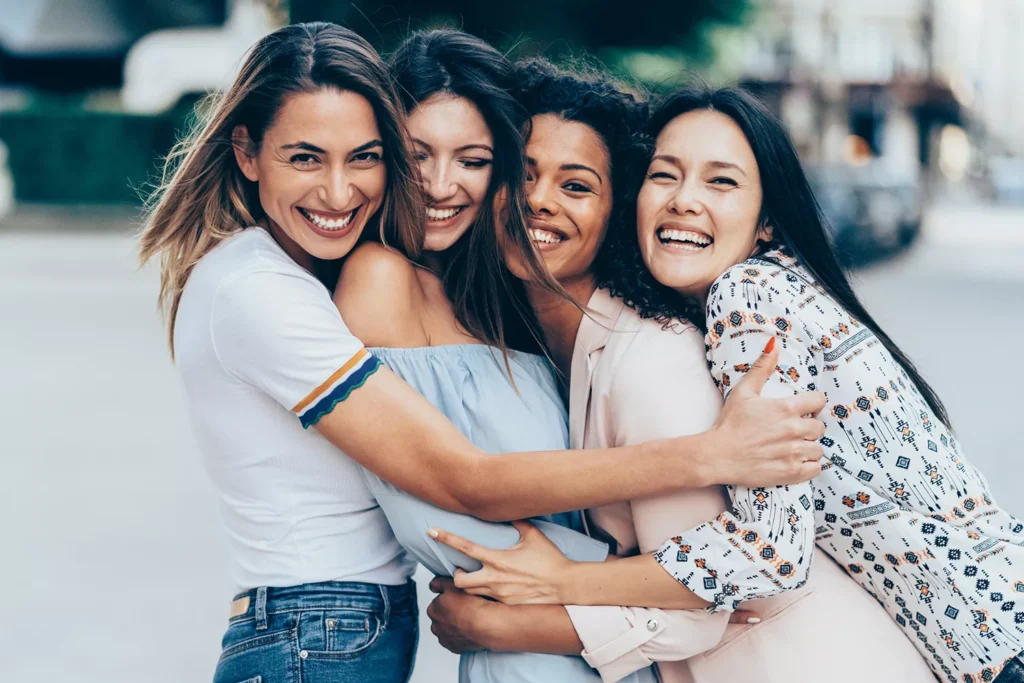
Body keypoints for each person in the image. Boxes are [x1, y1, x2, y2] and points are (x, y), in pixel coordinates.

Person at [136, 24, 826, 683]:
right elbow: (460, 492)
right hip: (320, 629)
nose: (440, 185)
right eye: (414, 155)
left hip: (385, 634)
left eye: (474, 159)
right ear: (248, 152)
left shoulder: (509, 303)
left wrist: (604, 586)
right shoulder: (322, 282)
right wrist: (671, 529)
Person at [432, 84, 1024, 683]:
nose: (686, 200)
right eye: (666, 176)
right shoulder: (746, 299)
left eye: (721, 181)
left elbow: (770, 553)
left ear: (766, 221)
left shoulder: (749, 296)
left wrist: (559, 581)